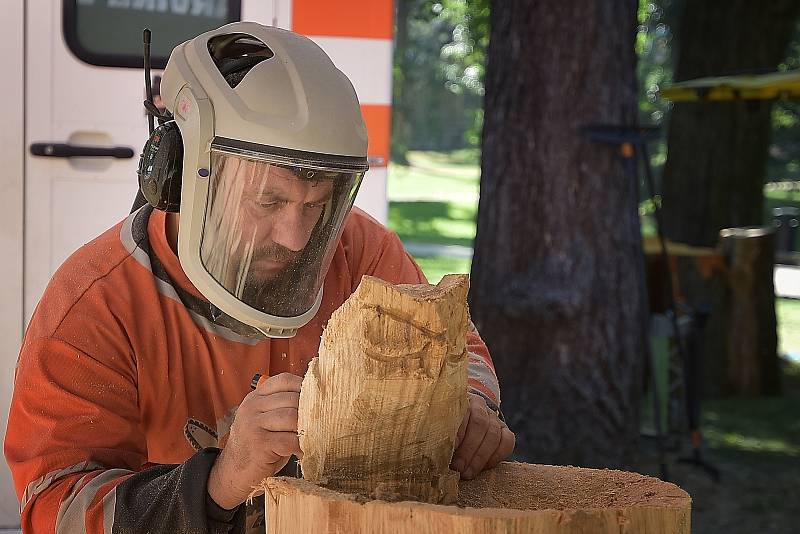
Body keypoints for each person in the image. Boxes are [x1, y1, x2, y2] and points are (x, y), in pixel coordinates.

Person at [4, 22, 514, 533]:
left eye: (316, 206)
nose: (295, 236)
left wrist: (468, 407)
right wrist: (221, 480)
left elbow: (457, 348)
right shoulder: (96, 303)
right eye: (269, 201)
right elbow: (57, 510)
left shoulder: (361, 253)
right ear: (183, 175)